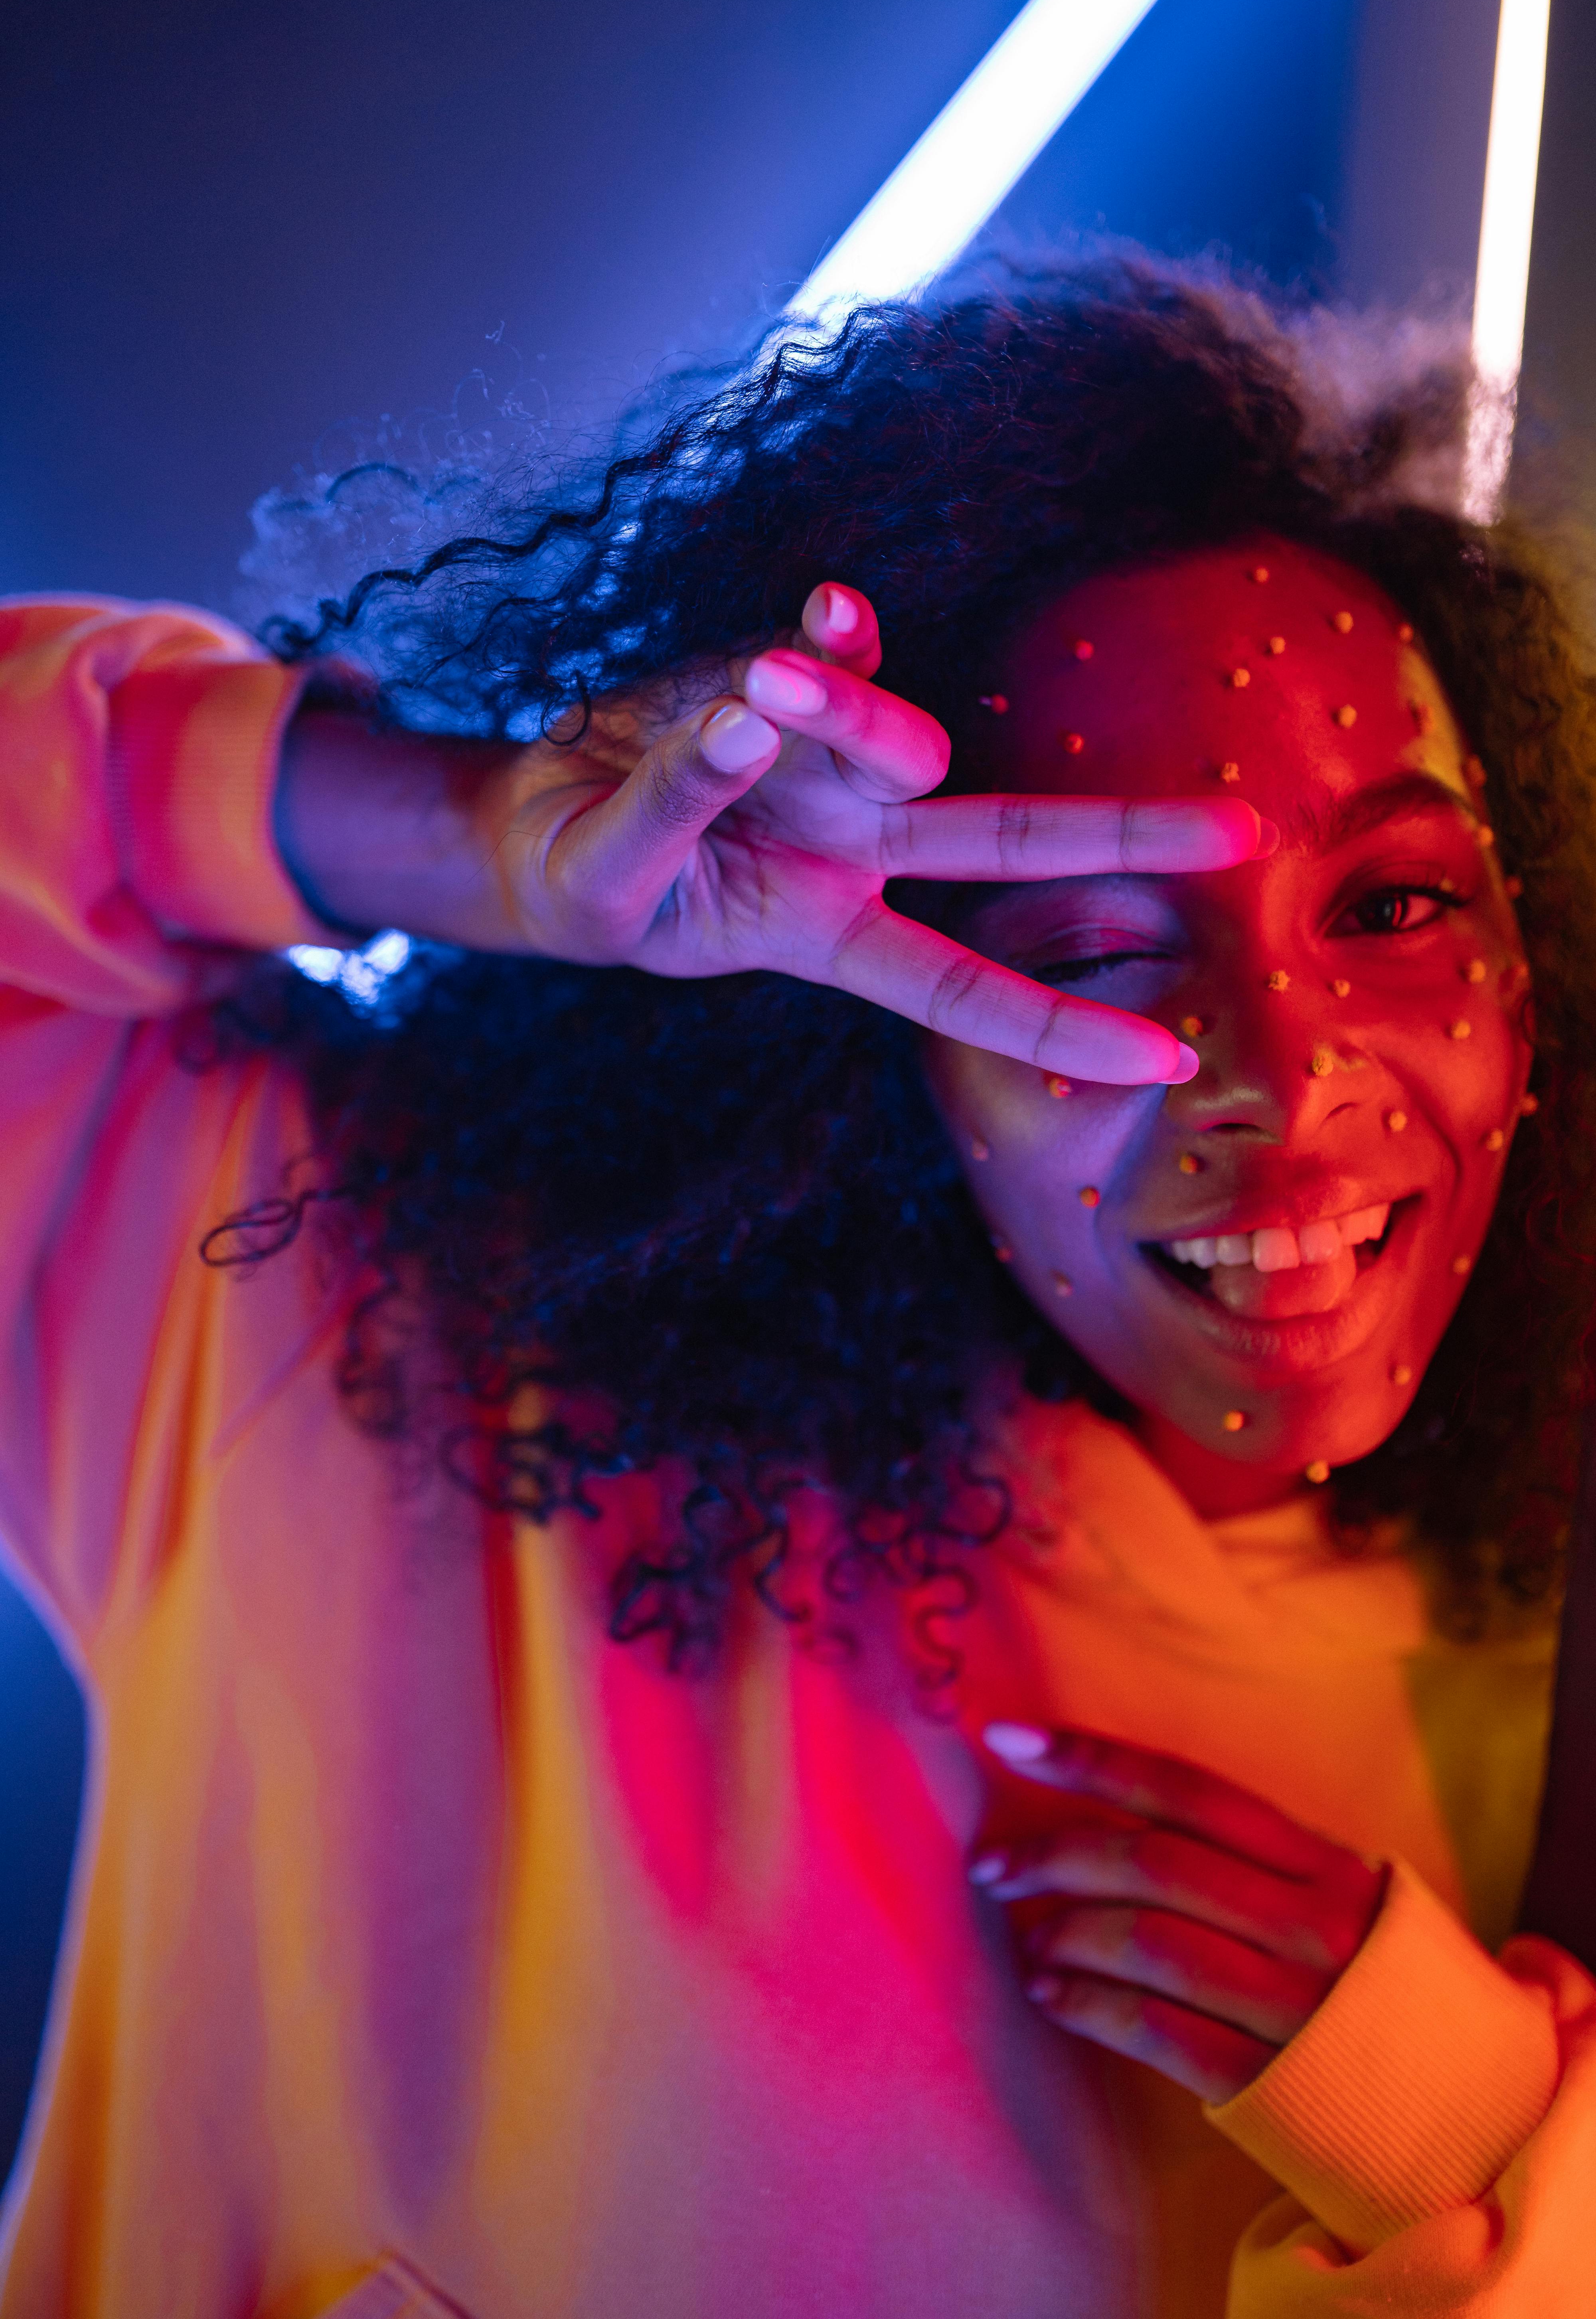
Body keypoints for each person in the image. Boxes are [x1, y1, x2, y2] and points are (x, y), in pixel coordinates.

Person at [0, 251, 1593, 2318]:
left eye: (1390, 901)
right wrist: (471, 837)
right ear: (857, 1008)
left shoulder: (1536, 1677)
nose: (1282, 1086)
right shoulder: (323, 1346)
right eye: (1092, 946)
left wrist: (1478, 2148)